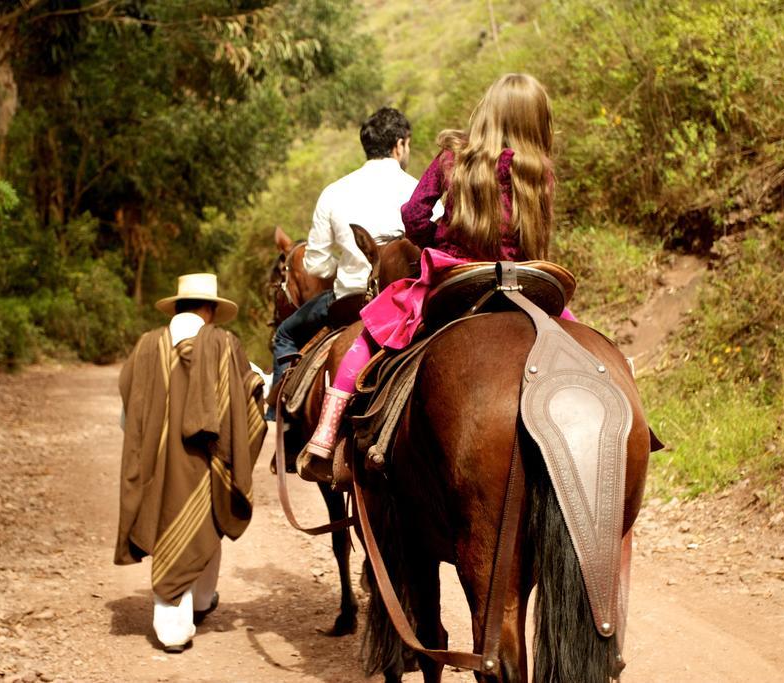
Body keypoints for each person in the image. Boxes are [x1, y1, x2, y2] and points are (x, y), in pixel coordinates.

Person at [300, 73, 571, 482]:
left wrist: (438, 241)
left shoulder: (453, 158)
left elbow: (413, 215)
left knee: (371, 333)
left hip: (456, 275)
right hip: (520, 279)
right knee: (576, 341)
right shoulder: (540, 173)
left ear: (487, 112)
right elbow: (537, 238)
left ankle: (324, 434)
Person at [115, 273, 267, 652]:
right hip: (209, 457)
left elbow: (127, 411)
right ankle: (194, 606)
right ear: (210, 311)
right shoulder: (224, 344)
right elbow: (245, 399)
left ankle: (177, 623)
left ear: (178, 307)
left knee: (167, 518)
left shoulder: (147, 345)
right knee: (209, 514)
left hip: (157, 459)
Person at [270, 107, 435, 404]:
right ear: (400, 144)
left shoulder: (333, 193)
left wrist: (348, 262)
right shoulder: (419, 192)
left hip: (351, 301)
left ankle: (277, 420)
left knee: (284, 334)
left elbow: (316, 265)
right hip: (409, 304)